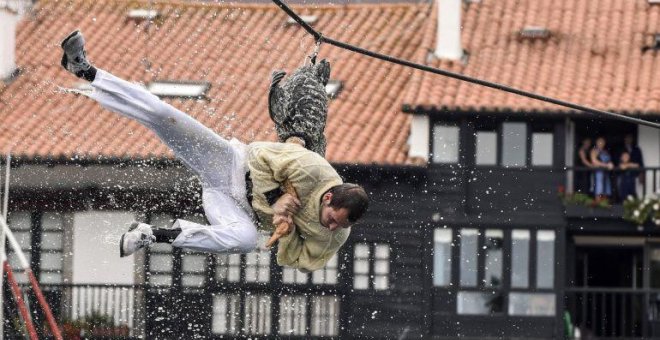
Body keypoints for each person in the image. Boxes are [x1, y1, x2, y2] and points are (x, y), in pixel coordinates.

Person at [59, 30, 369, 272]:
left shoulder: (334, 235)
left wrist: (287, 231)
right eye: (332, 219)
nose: (331, 227)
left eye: (338, 226)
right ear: (329, 197)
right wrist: (277, 199)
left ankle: (152, 234)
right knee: (163, 116)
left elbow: (295, 261)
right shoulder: (312, 168)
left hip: (237, 210)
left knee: (246, 240)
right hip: (231, 167)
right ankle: (86, 71)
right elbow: (260, 154)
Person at [590, 137, 614, 201]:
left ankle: (605, 203)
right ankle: (598, 202)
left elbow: (609, 161)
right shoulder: (594, 150)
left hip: (606, 173)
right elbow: (594, 161)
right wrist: (606, 165)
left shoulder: (605, 151)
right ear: (596, 142)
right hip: (598, 173)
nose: (601, 143)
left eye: (603, 142)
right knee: (599, 188)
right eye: (600, 142)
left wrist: (611, 164)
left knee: (606, 188)